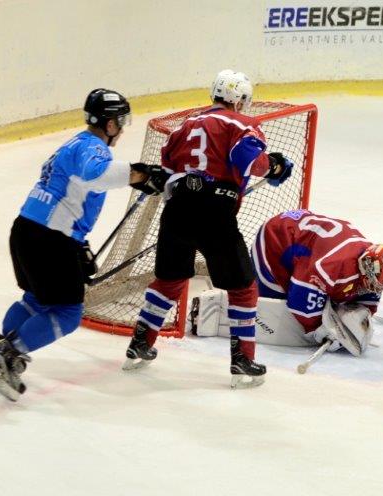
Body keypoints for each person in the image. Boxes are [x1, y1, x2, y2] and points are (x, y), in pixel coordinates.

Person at [121, 70, 294, 389]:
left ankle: (140, 343)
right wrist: (275, 166)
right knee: (243, 288)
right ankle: (242, 360)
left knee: (169, 280)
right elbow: (249, 161)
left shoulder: (181, 128)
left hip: (176, 210)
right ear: (239, 100)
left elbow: (166, 174)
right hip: (215, 212)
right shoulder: (242, 124)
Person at [0, 89, 167, 401]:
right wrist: (140, 174)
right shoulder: (93, 148)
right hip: (49, 239)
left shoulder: (74, 143)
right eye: (121, 121)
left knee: (36, 300)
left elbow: (76, 188)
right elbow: (95, 175)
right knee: (68, 313)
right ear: (110, 124)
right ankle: (8, 354)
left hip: (26, 230)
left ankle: (1, 347)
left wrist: (78, 245)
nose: (122, 129)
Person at [189, 209, 383, 357]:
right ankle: (210, 310)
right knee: (276, 313)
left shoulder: (370, 266)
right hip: (276, 240)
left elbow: (369, 296)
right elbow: (300, 304)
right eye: (371, 283)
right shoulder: (331, 266)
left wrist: (361, 316)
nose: (373, 289)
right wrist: (321, 330)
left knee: (322, 296)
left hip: (305, 242)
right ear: (364, 266)